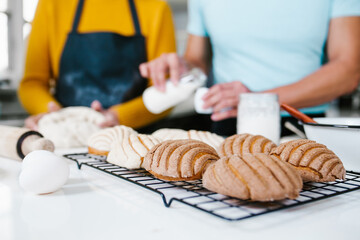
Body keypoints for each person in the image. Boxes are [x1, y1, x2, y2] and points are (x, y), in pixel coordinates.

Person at [139, 0, 360, 136]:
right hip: (227, 124)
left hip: (302, 125)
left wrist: (257, 100)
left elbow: (349, 69)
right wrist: (182, 68)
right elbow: (198, 60)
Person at [18, 0, 176, 131]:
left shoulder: (155, 8)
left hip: (134, 138)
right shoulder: (52, 4)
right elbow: (32, 83)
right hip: (66, 133)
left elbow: (166, 90)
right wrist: (52, 113)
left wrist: (118, 116)